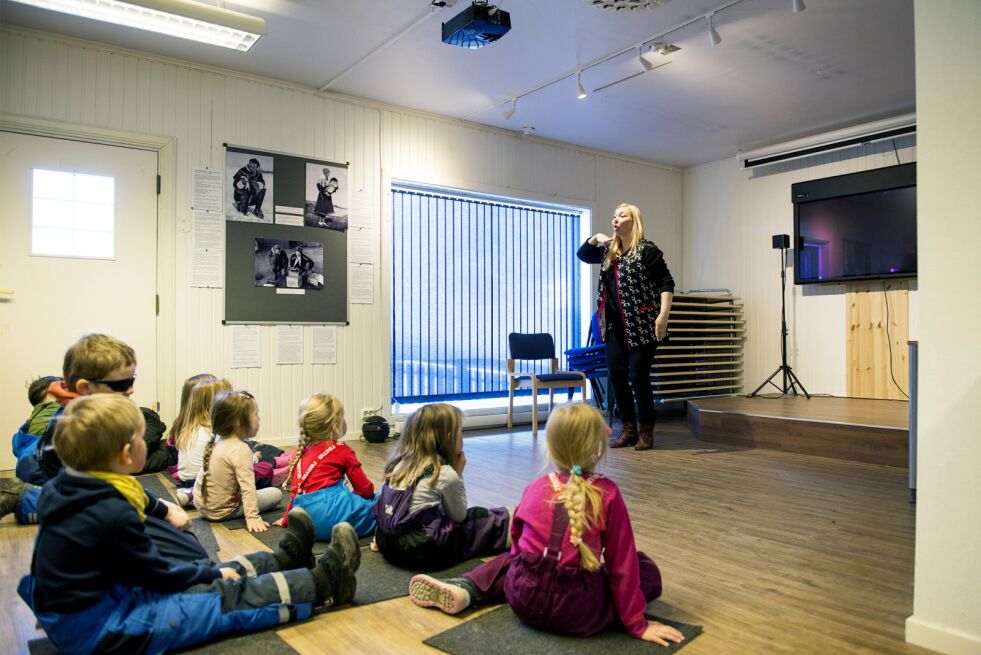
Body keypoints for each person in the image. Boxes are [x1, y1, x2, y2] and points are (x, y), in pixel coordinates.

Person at [16, 394, 362, 655]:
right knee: (224, 599)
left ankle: (284, 561)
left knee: (207, 576)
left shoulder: (68, 487)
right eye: (140, 439)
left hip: (95, 607)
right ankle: (321, 584)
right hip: (106, 629)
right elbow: (158, 575)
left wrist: (203, 571)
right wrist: (208, 575)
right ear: (126, 454)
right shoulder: (110, 511)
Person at [407, 403, 684, 646]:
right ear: (598, 449)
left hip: (523, 600)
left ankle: (469, 586)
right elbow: (622, 564)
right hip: (577, 611)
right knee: (643, 567)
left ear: (551, 448)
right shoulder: (608, 493)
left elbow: (516, 543)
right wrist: (637, 624)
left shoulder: (536, 487)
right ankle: (473, 587)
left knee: (516, 559)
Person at [2, 333, 212, 564]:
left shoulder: (91, 419)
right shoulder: (75, 432)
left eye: (132, 379)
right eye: (122, 384)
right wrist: (160, 510)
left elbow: (117, 485)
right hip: (95, 525)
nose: (131, 389)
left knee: (187, 545)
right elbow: (102, 494)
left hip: (106, 508)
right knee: (189, 557)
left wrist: (159, 508)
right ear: (84, 388)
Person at [576, 203, 675, 451]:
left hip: (642, 325)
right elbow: (583, 255)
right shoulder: (609, 251)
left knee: (638, 378)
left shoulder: (647, 250)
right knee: (617, 377)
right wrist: (596, 238)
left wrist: (663, 315)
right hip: (614, 327)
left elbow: (666, 282)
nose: (615, 219)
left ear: (634, 221)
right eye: (614, 216)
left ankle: (646, 431)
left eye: (622, 215)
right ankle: (628, 429)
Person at [372, 403, 511, 571]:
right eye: (460, 430)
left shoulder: (399, 464)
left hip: (386, 542)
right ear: (449, 437)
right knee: (478, 518)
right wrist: (458, 474)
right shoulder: (443, 473)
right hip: (421, 549)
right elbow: (459, 516)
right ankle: (515, 528)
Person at [275, 394, 377, 539]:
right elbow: (365, 489)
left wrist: (286, 520)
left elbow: (295, 493)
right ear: (335, 427)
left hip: (305, 525)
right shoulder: (342, 450)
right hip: (335, 521)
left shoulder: (299, 452)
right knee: (381, 499)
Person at [192, 390, 282, 533]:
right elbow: (248, 488)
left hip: (202, 507)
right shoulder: (241, 449)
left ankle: (188, 495)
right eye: (256, 414)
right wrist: (253, 517)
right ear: (239, 422)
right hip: (222, 512)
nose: (259, 419)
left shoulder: (216, 441)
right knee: (276, 494)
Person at [173, 377, 232, 488]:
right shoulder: (216, 432)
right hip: (210, 486)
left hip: (186, 483)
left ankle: (191, 495)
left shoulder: (189, 428)